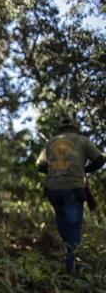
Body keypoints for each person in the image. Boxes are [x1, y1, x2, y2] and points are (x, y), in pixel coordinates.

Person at [37, 115, 104, 274]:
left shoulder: (51, 142)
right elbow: (100, 160)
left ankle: (69, 257)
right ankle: (71, 268)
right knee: (73, 227)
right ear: (75, 127)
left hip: (53, 190)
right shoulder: (82, 140)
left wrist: (55, 170)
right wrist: (84, 169)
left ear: (60, 128)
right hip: (74, 189)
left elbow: (40, 165)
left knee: (62, 222)